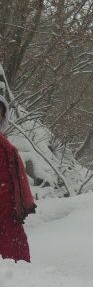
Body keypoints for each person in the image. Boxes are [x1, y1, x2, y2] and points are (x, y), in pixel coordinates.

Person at [0, 95, 36, 262]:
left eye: (0, 113)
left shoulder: (6, 146)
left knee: (18, 269)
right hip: (6, 218)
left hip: (9, 218)